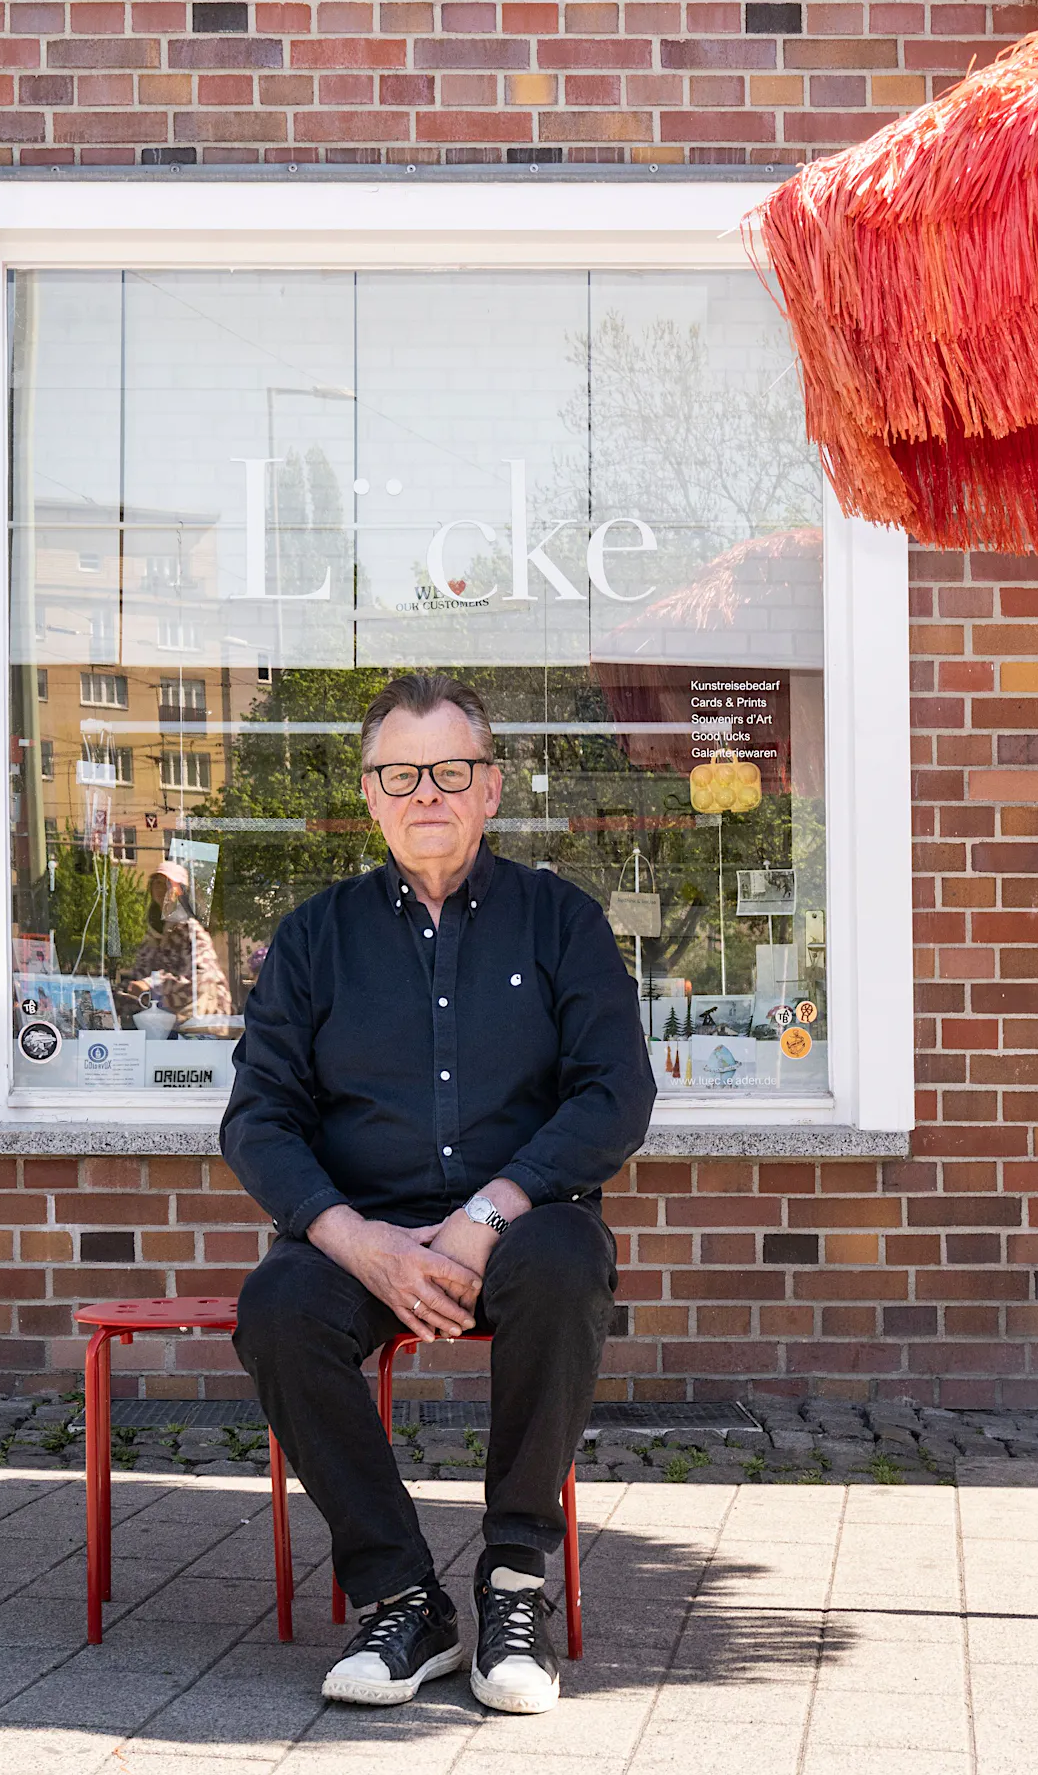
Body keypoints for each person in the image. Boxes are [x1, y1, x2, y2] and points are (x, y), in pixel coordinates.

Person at [223, 672, 654, 1716]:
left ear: (491, 787)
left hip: (519, 1226)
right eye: (401, 773)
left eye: (450, 770)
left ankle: (514, 1582)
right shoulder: (316, 937)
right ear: (370, 794)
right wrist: (356, 1240)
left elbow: (616, 1091)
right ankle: (401, 1594)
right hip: (363, 1230)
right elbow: (257, 1117)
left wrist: (486, 1214)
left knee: (564, 1262)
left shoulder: (560, 922)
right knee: (277, 1309)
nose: (427, 792)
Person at [123, 859, 232, 1029]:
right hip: (164, 1022)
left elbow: (201, 976)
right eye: (156, 883)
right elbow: (139, 976)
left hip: (203, 1024)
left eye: (167, 883)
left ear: (180, 890)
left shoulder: (191, 930)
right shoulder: (153, 934)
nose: (161, 888)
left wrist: (152, 984)